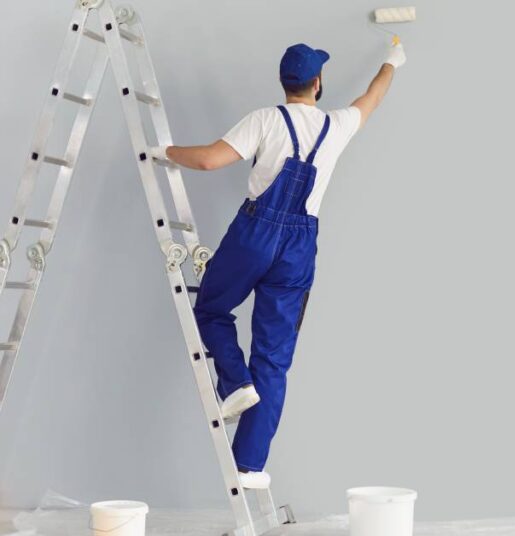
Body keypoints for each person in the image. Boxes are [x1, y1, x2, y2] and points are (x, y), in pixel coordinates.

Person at [149, 41, 406, 489]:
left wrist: (166, 152)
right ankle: (249, 466)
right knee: (273, 358)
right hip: (300, 247)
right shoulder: (338, 124)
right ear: (317, 83)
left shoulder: (265, 119)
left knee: (209, 309)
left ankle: (235, 383)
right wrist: (392, 60)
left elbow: (208, 160)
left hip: (254, 234)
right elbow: (374, 95)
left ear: (284, 82)